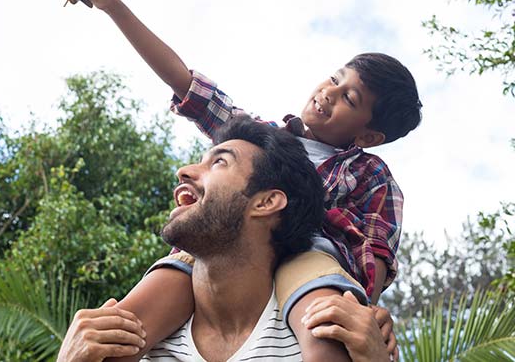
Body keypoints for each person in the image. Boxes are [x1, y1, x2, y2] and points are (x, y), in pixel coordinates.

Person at [59, 0, 415, 361]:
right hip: (222, 242)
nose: (328, 92)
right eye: (334, 78)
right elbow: (187, 83)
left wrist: (366, 310)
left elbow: (374, 251)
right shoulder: (256, 139)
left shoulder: (371, 173)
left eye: (348, 97)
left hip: (310, 252)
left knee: (328, 325)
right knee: (125, 324)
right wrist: (113, 5)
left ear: (369, 136)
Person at [56, 117, 393, 362]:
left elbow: (374, 247)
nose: (184, 171)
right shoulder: (141, 337)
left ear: (265, 202)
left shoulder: (330, 329)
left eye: (218, 162)